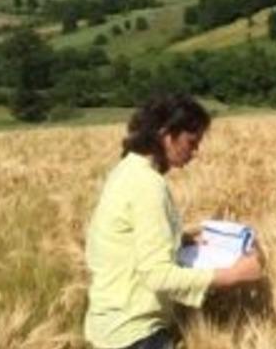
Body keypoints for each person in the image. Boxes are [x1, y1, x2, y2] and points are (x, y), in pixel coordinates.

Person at [84, 94, 262, 349]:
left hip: (111, 327)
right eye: (191, 142)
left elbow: (130, 241)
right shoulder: (148, 186)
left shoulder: (126, 170)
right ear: (166, 135)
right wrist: (232, 275)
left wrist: (180, 238)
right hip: (136, 335)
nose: (195, 152)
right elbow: (157, 275)